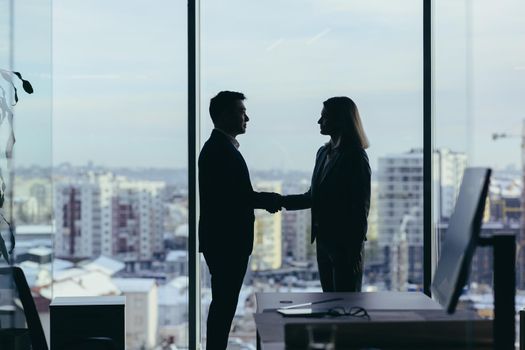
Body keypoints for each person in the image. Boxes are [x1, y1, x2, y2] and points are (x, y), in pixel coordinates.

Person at [199, 90, 281, 350]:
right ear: (224, 115)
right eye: (241, 111)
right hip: (227, 242)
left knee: (224, 304)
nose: (247, 117)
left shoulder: (219, 148)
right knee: (224, 305)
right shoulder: (220, 151)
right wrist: (275, 200)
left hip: (223, 241)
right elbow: (237, 197)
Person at [282, 96, 371, 292]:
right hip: (324, 242)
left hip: (346, 247)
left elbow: (360, 207)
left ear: (340, 120)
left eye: (325, 117)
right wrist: (276, 200)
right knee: (329, 302)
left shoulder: (355, 157)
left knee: (345, 307)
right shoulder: (323, 153)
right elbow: (313, 197)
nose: (319, 121)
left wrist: (354, 251)